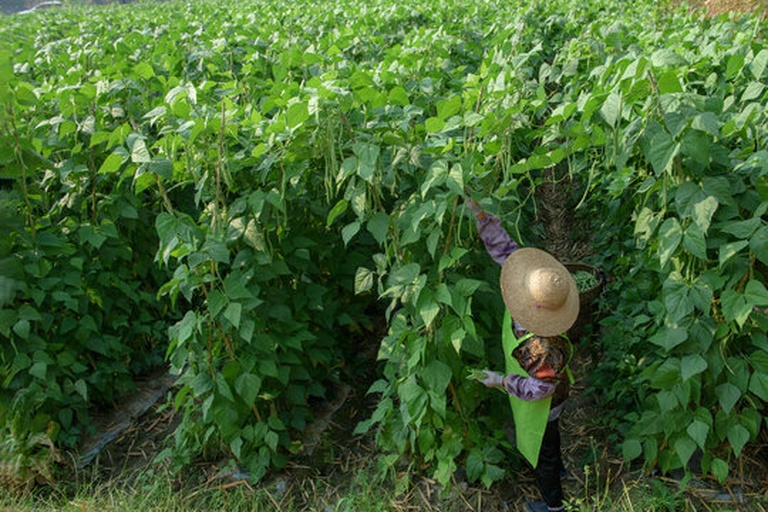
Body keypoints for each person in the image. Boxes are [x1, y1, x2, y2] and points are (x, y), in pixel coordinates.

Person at [466, 197, 578, 512]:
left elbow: (541, 388)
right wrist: (481, 215)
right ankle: (558, 468)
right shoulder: (536, 289)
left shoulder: (542, 348)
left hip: (545, 402)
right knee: (550, 443)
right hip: (551, 388)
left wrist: (501, 380)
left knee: (543, 448)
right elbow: (506, 252)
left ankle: (553, 504)